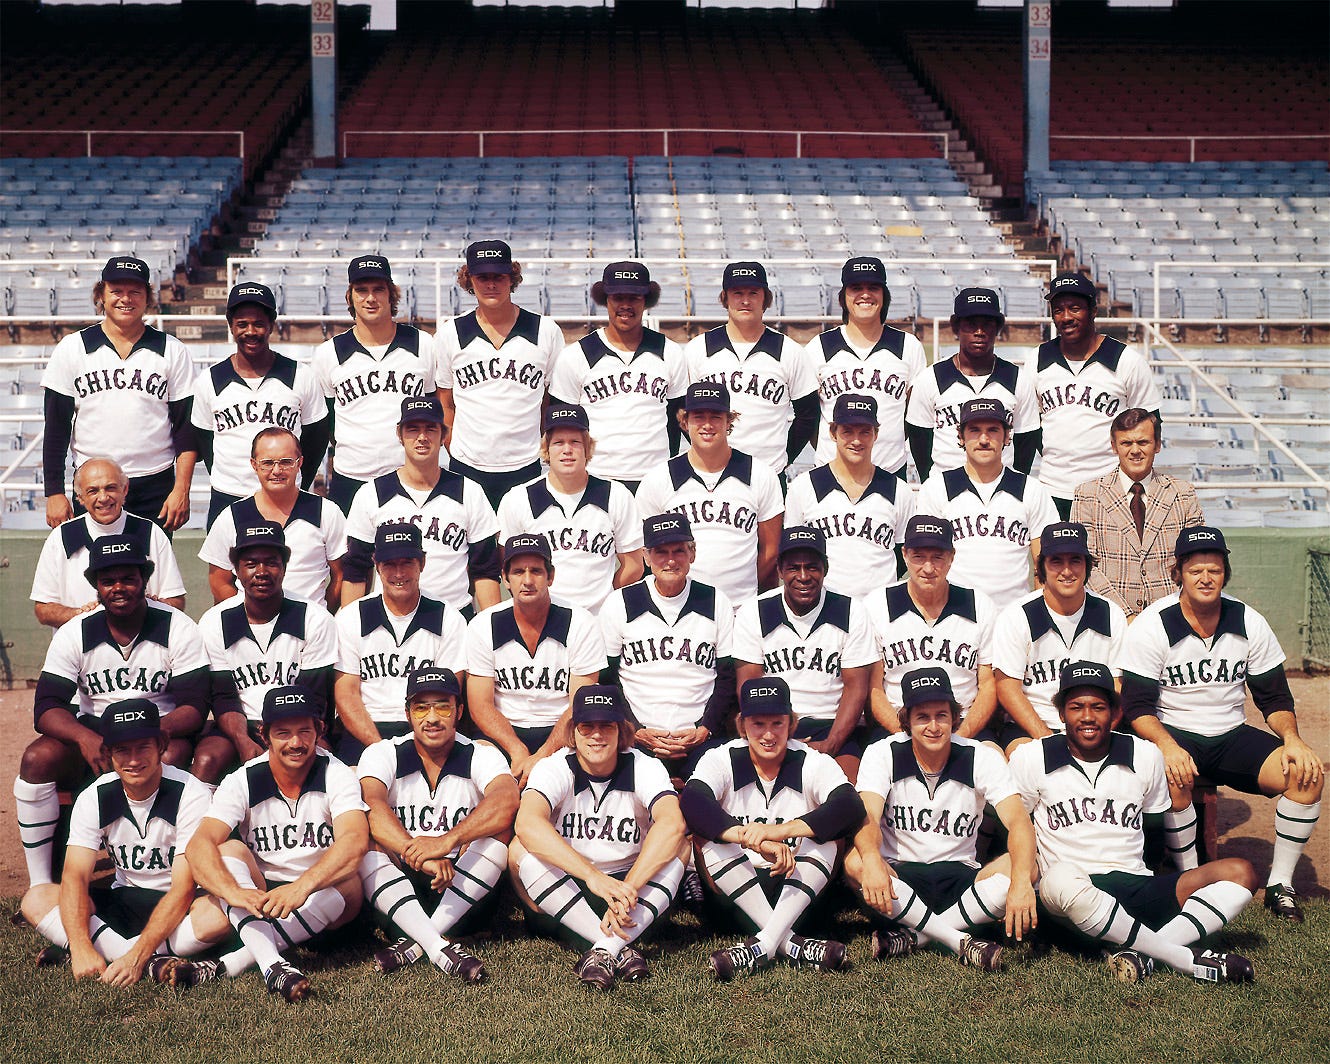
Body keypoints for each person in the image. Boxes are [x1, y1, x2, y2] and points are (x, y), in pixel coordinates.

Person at [1119, 526, 1323, 924]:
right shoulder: (1152, 624)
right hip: (1175, 731)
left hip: (1231, 735)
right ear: (1178, 572)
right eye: (1195, 570)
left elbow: (1275, 698)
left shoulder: (1247, 619)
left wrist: (1293, 739)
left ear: (1225, 572)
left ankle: (1281, 885)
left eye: (1214, 569)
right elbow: (1136, 706)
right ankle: (1192, 878)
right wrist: (1166, 745)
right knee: (1171, 772)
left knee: (1306, 775)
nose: (1206, 578)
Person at [1011, 661, 1258, 984]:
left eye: (1098, 707)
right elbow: (1015, 826)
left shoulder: (1144, 754)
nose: (1087, 716)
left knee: (1241, 872)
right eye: (1076, 707)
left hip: (1135, 884)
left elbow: (1154, 833)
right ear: (1061, 713)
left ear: (1114, 713)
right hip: (1070, 894)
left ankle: (1142, 954)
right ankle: (1180, 957)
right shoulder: (1032, 757)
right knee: (1060, 878)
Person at [14, 536, 209, 892]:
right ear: (96, 585)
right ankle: (42, 884)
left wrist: (148, 734)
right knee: (37, 758)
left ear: (145, 579)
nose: (119, 588)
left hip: (156, 729)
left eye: (128, 579)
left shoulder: (177, 626)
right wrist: (84, 737)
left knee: (175, 753)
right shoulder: (76, 631)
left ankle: (166, 873)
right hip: (96, 731)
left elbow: (195, 706)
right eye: (108, 581)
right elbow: (45, 707)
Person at [179, 685, 369, 1001]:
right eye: (283, 733)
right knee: (227, 852)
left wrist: (301, 888)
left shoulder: (335, 772)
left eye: (304, 731)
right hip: (264, 897)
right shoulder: (242, 779)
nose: (295, 743)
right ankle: (273, 964)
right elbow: (199, 845)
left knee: (350, 881)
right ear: (264, 735)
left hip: (322, 896)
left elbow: (354, 841)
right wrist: (233, 892)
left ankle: (234, 962)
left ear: (319, 730)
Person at [17, 700, 228, 983]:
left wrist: (136, 957)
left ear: (161, 745)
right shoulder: (94, 796)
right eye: (122, 749)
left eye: (143, 747)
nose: (133, 760)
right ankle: (151, 961)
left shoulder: (192, 793)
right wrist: (80, 948)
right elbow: (75, 877)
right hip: (124, 898)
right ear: (107, 752)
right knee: (36, 898)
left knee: (219, 917)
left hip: (179, 906)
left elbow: (183, 889)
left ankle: (126, 955)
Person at [846, 668, 1037, 973]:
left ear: (954, 717)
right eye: (923, 717)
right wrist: (870, 859)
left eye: (942, 716)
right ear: (907, 720)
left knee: (1028, 865)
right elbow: (867, 815)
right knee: (855, 861)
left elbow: (1018, 822)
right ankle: (957, 939)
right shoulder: (883, 752)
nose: (933, 726)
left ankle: (913, 937)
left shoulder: (979, 756)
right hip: (899, 877)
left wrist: (1022, 883)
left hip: (962, 877)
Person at [681, 677, 864, 979]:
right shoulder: (721, 758)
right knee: (709, 839)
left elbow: (850, 806)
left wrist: (779, 832)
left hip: (799, 892)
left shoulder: (812, 761)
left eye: (777, 723)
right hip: (735, 896)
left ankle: (764, 944)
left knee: (825, 838)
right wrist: (752, 840)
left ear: (791, 724)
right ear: (742, 726)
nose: (768, 734)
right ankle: (790, 944)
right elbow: (692, 802)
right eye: (758, 724)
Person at [510, 684, 687, 990]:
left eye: (607, 726)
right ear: (572, 732)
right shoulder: (554, 767)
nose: (596, 735)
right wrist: (591, 876)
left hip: (632, 896)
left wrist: (629, 887)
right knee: (518, 849)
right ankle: (617, 946)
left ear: (622, 731)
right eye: (586, 726)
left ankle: (604, 949)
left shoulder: (644, 766)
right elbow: (527, 823)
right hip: (566, 886)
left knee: (680, 846)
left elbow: (672, 823)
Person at [357, 667, 519, 984]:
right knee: (359, 833)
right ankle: (435, 945)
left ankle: (419, 940)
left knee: (500, 829)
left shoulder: (480, 753)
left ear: (459, 711)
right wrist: (417, 854)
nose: (432, 717)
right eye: (421, 707)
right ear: (407, 713)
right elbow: (371, 806)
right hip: (401, 886)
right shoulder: (384, 752)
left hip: (464, 886)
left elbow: (506, 800)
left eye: (443, 706)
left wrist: (446, 842)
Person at [42, 256, 197, 535]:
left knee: (153, 572)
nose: (126, 299)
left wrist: (181, 489)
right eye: (116, 291)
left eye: (135, 291)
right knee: (93, 573)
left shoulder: (172, 350)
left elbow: (186, 430)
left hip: (155, 485)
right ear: (101, 294)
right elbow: (56, 429)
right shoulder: (72, 348)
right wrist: (53, 492)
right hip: (94, 485)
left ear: (147, 297)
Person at [194, 522, 338, 785]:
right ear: (236, 570)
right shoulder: (214, 621)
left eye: (271, 562)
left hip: (297, 720)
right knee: (207, 759)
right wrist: (242, 741)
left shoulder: (315, 618)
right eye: (251, 563)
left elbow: (315, 698)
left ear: (284, 567)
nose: (261, 572)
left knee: (324, 758)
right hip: (237, 724)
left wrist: (282, 738)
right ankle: (198, 825)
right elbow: (224, 697)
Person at [733, 527, 877, 778]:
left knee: (848, 793)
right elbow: (749, 689)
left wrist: (830, 745)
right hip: (773, 723)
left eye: (812, 567)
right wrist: (779, 739)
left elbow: (856, 689)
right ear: (779, 569)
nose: (803, 576)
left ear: (825, 569)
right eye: (793, 568)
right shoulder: (753, 612)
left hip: (831, 725)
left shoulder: (851, 610)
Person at [600, 513, 734, 777]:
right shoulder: (620, 602)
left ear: (692, 553)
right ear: (646, 557)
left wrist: (705, 729)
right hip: (637, 740)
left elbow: (727, 677)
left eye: (679, 551)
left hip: (700, 740)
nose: (671, 560)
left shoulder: (716, 600)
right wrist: (635, 730)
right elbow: (607, 678)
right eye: (661, 552)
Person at [466, 533, 606, 786]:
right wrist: (517, 750)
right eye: (518, 571)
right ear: (505, 579)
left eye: (536, 571)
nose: (528, 580)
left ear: (550, 576)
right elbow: (480, 706)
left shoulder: (581, 622)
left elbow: (580, 704)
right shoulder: (483, 625)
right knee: (496, 788)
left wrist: (542, 755)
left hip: (561, 729)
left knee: (549, 790)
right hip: (502, 732)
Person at [435, 240, 565, 509]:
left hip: (525, 465)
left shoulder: (546, 331)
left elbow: (552, 400)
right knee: (473, 550)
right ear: (469, 279)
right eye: (483, 277)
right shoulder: (450, 333)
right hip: (467, 465)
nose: (491, 284)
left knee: (522, 548)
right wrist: (451, 445)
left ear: (512, 278)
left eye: (499, 276)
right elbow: (445, 402)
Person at [342, 395, 501, 614]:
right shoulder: (372, 494)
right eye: (413, 429)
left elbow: (485, 572)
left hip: (453, 616)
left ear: (443, 434)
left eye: (431, 429)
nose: (422, 437)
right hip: (389, 619)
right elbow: (356, 572)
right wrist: (351, 627)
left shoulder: (470, 492)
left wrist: (491, 630)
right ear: (400, 434)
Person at [191, 283, 329, 527]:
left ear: (271, 326)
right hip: (228, 497)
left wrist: (296, 479)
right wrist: (229, 478)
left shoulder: (300, 375)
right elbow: (204, 440)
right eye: (242, 324)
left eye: (259, 324)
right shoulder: (210, 380)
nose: (250, 331)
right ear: (231, 326)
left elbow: (316, 439)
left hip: (286, 497)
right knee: (224, 566)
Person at [635, 381, 783, 607]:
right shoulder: (658, 479)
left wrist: (749, 599)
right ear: (685, 422)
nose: (707, 425)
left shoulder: (761, 475)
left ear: (728, 422)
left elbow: (771, 551)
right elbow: (647, 554)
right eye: (698, 417)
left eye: (715, 416)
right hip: (681, 609)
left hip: (741, 608)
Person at [333, 522, 468, 761]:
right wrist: (382, 751)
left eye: (407, 563)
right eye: (389, 564)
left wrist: (413, 750)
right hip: (365, 729)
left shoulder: (448, 617)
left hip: (428, 729)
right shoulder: (350, 617)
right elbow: (346, 695)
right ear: (376, 565)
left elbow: (446, 696)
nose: (398, 573)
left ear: (422, 563)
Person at [1030, 272, 1160, 519]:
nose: (1066, 317)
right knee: (1053, 559)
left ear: (1093, 310)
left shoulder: (1126, 360)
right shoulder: (1037, 359)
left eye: (1075, 308)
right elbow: (1031, 427)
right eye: (1058, 310)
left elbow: (1150, 425)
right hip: (1052, 490)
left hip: (1111, 490)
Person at [312, 255, 437, 513]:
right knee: (350, 554)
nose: (371, 298)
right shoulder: (328, 354)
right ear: (350, 297)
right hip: (351, 478)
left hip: (410, 477)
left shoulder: (423, 344)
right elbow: (327, 422)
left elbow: (436, 409)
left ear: (391, 295)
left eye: (379, 289)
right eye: (362, 290)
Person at [548, 261, 687, 491]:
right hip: (596, 478)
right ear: (605, 299)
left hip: (655, 480)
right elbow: (562, 425)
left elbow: (678, 419)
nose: (625, 305)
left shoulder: (670, 352)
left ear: (646, 300)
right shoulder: (577, 355)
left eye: (634, 298)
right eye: (617, 297)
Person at [991, 522, 1127, 755]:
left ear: (1087, 565)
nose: (1066, 571)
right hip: (1032, 726)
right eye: (1056, 561)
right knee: (1022, 757)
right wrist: (1046, 738)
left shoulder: (1111, 613)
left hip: (1096, 728)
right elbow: (1007, 688)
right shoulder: (1017, 615)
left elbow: (1119, 687)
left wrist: (1094, 736)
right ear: (1041, 565)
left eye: (1075, 560)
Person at [497, 402, 643, 616]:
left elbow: (634, 566)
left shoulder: (616, 495)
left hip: (598, 620)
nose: (567, 450)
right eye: (558, 443)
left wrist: (606, 601)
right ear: (546, 449)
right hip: (540, 618)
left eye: (575, 442)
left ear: (587, 448)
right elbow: (508, 568)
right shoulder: (518, 499)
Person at [916, 397, 1058, 611]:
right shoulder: (936, 488)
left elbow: (1045, 567)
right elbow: (927, 565)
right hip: (954, 614)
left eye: (993, 430)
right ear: (960, 436)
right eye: (974, 430)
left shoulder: (1031, 489)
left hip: (1013, 615)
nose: (984, 439)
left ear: (1007, 436)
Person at [863, 516, 999, 739]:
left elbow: (987, 685)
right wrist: (908, 736)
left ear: (952, 557)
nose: (928, 568)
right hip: (899, 725)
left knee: (994, 759)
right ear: (904, 554)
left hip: (963, 724)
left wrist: (960, 737)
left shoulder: (979, 604)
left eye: (937, 557)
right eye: (919, 557)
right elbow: (874, 689)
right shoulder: (877, 605)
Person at [683, 261, 819, 481]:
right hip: (710, 474)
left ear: (765, 298)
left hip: (769, 473)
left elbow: (809, 414)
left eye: (753, 293)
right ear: (725, 298)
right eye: (737, 293)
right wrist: (705, 449)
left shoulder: (789, 351)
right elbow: (681, 411)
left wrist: (785, 455)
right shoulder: (698, 349)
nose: (745, 300)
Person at [1071, 407, 1205, 619]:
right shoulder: (1088, 494)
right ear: (1114, 446)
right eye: (1126, 443)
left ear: (1157, 445)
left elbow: (1196, 561)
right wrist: (1123, 616)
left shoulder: (1183, 493)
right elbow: (1086, 565)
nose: (1135, 450)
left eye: (1143, 442)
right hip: (1110, 620)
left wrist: (1169, 614)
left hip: (1172, 618)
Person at [783, 393, 915, 598]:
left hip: (878, 611)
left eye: (864, 432)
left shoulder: (899, 490)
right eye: (847, 431)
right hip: (823, 609)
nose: (856, 440)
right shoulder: (804, 487)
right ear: (833, 432)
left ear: (876, 434)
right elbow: (794, 554)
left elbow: (902, 552)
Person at [199, 426, 346, 608]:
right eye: (267, 463)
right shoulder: (232, 516)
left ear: (299, 463)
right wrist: (248, 618)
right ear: (254, 465)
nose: (277, 471)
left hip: (310, 631)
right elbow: (219, 581)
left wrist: (319, 618)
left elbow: (341, 575)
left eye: (285, 462)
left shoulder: (327, 512)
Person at [31, 456, 185, 628]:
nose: (103, 498)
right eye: (93, 491)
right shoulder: (61, 537)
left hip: (143, 646)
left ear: (124, 489)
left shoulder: (150, 533)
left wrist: (153, 607)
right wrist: (82, 615)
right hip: (80, 648)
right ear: (80, 497)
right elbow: (43, 609)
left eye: (110, 488)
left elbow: (176, 601)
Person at [808, 256, 926, 477]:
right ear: (843, 298)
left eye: (873, 287)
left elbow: (914, 417)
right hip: (829, 472)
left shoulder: (908, 346)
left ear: (884, 296)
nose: (865, 294)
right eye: (856, 287)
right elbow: (810, 416)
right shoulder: (819, 347)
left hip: (890, 472)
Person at [905, 288, 1039, 481]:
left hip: (1001, 490)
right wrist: (937, 485)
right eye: (970, 324)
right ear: (955, 327)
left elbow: (1026, 442)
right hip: (945, 490)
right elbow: (920, 442)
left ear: (998, 328)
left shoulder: (1017, 378)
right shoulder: (931, 378)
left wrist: (1010, 483)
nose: (979, 332)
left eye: (987, 324)